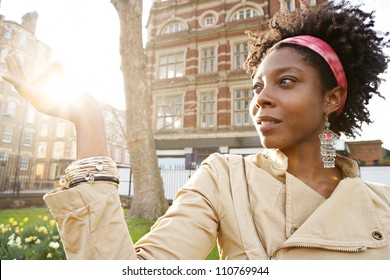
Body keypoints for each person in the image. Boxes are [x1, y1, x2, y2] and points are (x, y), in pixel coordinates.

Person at [2, 0, 390, 260]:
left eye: (285, 81)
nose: (261, 99)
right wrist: (88, 118)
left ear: (331, 98)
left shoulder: (382, 205)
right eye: (257, 86)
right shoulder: (222, 179)